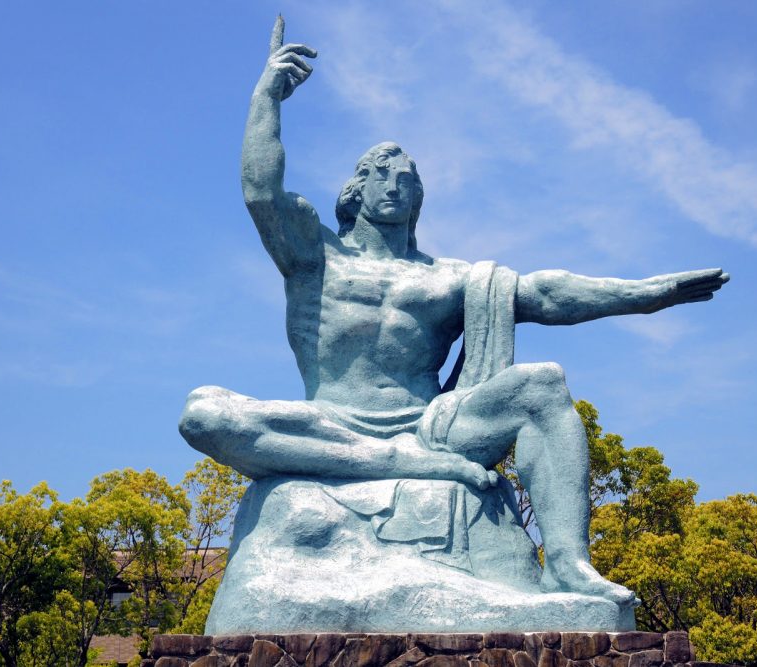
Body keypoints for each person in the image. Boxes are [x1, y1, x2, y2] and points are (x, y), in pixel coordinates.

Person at [179, 17, 728, 605]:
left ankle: (567, 564)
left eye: (407, 179)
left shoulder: (448, 279)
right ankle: (389, 462)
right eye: (379, 174)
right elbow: (262, 192)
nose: (394, 184)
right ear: (354, 189)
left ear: (419, 198)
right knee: (205, 413)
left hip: (430, 427)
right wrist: (267, 96)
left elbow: (544, 294)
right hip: (334, 421)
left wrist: (647, 294)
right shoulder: (316, 257)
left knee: (543, 387)